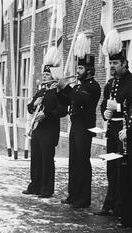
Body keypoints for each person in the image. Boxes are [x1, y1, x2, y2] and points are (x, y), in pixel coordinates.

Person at [57, 33, 101, 209]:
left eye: (81, 69)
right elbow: (68, 100)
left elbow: (80, 99)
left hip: (85, 127)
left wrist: (66, 87)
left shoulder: (92, 86)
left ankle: (83, 198)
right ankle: (73, 194)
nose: (77, 72)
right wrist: (60, 91)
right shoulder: (79, 86)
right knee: (73, 161)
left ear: (89, 71)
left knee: (82, 161)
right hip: (75, 126)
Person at [23, 47, 67, 198]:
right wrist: (35, 103)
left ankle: (46, 189)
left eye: (47, 74)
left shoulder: (58, 92)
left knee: (47, 160)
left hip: (49, 130)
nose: (45, 76)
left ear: (53, 75)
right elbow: (29, 108)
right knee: (35, 159)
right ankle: (34, 186)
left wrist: (46, 114)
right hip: (37, 129)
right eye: (44, 73)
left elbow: (62, 110)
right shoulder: (41, 91)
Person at [102, 29, 132, 226]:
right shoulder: (111, 82)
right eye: (111, 63)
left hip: (125, 130)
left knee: (123, 171)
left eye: (115, 63)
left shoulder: (131, 81)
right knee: (111, 169)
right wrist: (105, 112)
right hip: (112, 130)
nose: (112, 66)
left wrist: (119, 107)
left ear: (124, 64)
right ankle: (110, 204)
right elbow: (104, 103)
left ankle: (122, 207)